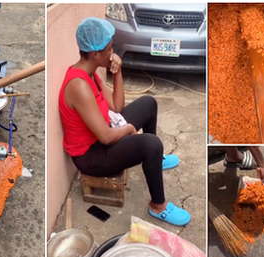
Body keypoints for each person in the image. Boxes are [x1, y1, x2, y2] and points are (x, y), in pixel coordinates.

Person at [58, 17, 190, 226]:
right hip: (92, 156)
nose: (113, 53)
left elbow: (117, 107)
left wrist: (117, 72)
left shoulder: (90, 73)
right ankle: (158, 206)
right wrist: (129, 128)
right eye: (110, 49)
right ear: (95, 54)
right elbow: (106, 137)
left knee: (149, 103)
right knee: (151, 144)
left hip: (105, 131)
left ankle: (157, 162)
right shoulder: (79, 85)